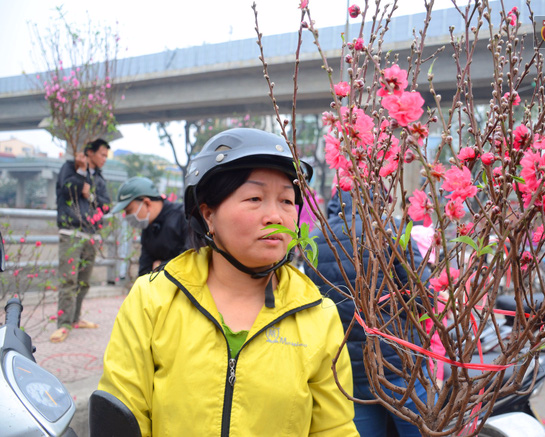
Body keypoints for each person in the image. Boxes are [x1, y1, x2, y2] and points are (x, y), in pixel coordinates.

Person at [97, 128, 357, 436]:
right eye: (255, 198)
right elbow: (122, 414)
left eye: (287, 200)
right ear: (208, 214)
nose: (275, 215)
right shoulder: (152, 299)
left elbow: (334, 428)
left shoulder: (317, 314)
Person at [305, 188, 431, 437]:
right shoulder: (390, 231)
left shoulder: (316, 239)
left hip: (350, 372)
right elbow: (423, 297)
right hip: (399, 365)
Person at [51, 138, 111, 343]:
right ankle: (64, 324)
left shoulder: (100, 178)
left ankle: (75, 319)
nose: (104, 159)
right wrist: (80, 172)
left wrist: (91, 195)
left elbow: (106, 206)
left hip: (91, 234)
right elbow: (66, 191)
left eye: (106, 155)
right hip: (71, 232)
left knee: (84, 282)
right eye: (102, 154)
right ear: (90, 152)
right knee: (68, 280)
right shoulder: (69, 168)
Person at [110, 177, 190, 277]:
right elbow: (145, 267)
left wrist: (160, 267)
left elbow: (191, 257)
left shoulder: (184, 217)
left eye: (129, 210)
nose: (127, 216)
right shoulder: (148, 226)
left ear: (147, 203)